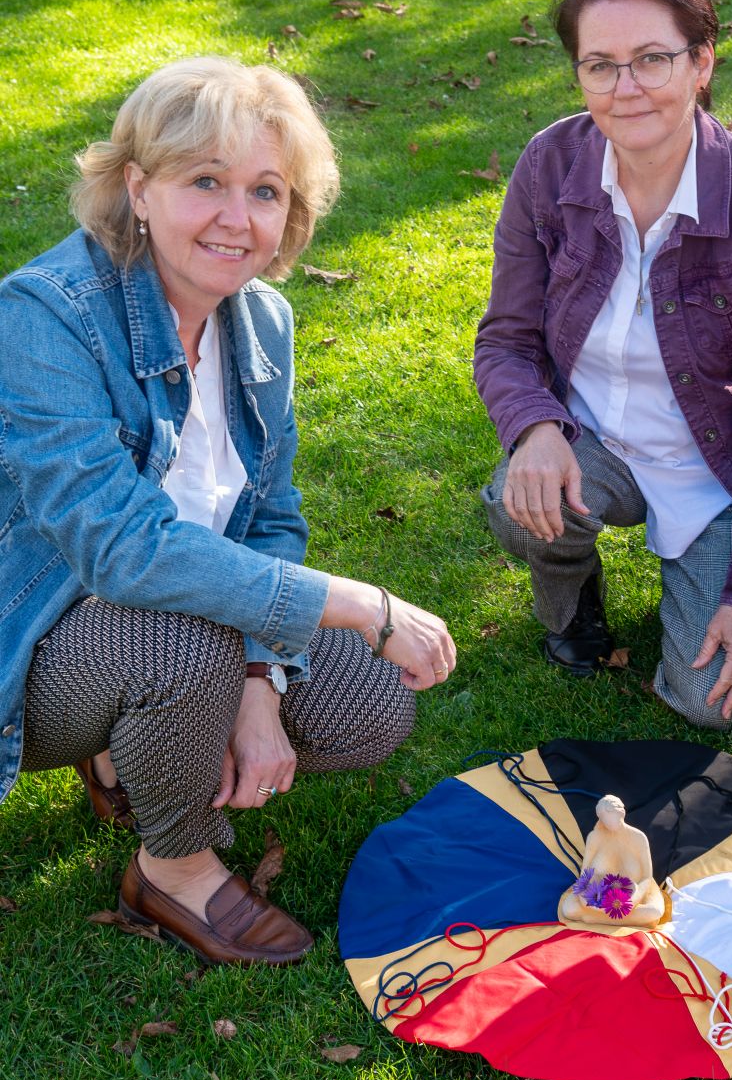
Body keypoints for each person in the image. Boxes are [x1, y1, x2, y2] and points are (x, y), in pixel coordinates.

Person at [0, 57, 457, 963]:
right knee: (182, 635)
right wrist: (362, 604)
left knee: (366, 708)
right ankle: (174, 871)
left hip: (173, 626)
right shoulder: (43, 316)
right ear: (138, 187)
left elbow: (270, 518)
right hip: (36, 635)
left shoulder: (261, 322)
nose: (235, 218)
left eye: (265, 190)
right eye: (204, 180)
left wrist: (256, 683)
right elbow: (124, 552)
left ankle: (133, 749)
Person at [474, 0, 732, 729]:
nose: (625, 88)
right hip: (593, 441)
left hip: (713, 465)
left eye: (652, 60)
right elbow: (504, 340)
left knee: (715, 708)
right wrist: (536, 427)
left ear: (702, 63)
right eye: (601, 66)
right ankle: (573, 598)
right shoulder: (549, 163)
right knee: (515, 496)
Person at [558, 794, 665, 929]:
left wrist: (633, 900)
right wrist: (584, 899)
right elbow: (585, 876)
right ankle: (613, 919)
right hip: (599, 896)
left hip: (636, 894)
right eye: (605, 820)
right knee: (569, 909)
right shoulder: (594, 837)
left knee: (654, 912)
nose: (609, 824)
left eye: (612, 819)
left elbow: (646, 877)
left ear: (622, 813)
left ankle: (594, 919)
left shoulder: (638, 838)